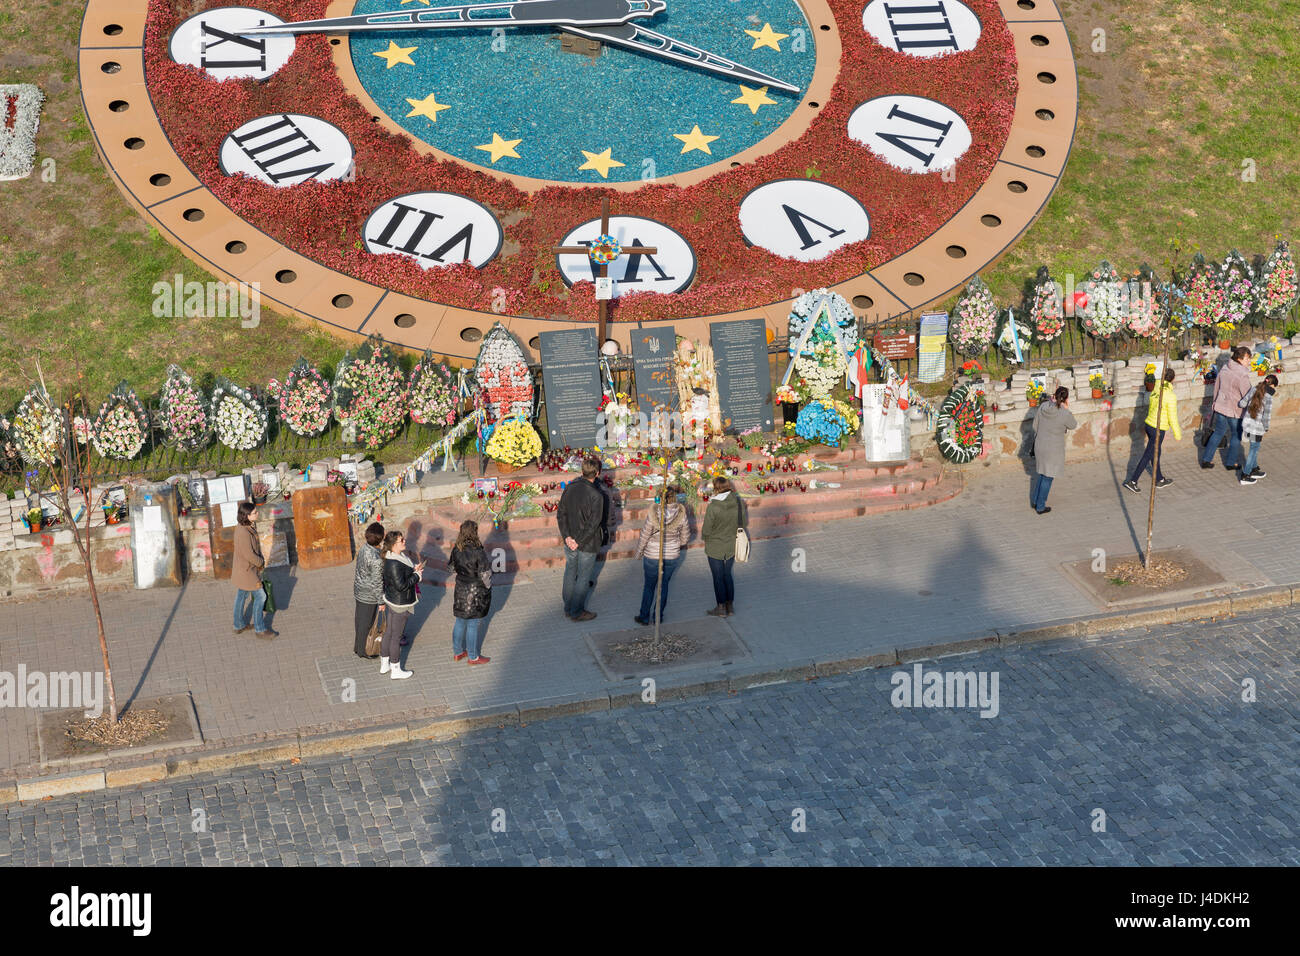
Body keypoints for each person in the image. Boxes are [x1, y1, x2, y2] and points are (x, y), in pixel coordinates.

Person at [556, 455, 610, 622]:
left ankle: (568, 607)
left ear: (582, 471)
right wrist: (577, 541)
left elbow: (561, 514)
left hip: (570, 539)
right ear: (598, 473)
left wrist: (567, 537)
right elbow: (593, 524)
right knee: (583, 577)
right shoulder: (597, 495)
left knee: (570, 571)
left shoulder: (570, 488)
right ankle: (576, 611)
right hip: (587, 543)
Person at [634, 484, 690, 626]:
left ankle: (644, 616)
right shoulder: (681, 514)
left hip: (652, 555)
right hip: (671, 555)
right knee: (664, 585)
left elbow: (645, 535)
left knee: (649, 586)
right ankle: (658, 616)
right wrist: (677, 543)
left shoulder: (654, 513)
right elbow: (685, 537)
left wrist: (639, 552)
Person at [1123, 368, 1181, 494]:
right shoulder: (1170, 396)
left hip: (1149, 424)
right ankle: (1132, 481)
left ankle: (1159, 479)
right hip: (1158, 428)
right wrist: (1177, 433)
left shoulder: (1156, 389)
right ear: (1173, 379)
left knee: (1156, 452)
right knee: (1148, 454)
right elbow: (1173, 416)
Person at [1199, 346, 1253, 472]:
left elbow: (1217, 387)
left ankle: (1206, 460)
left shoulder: (1224, 368)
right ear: (1239, 359)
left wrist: (1215, 404)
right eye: (1247, 359)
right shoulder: (1242, 375)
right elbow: (1248, 395)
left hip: (1221, 407)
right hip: (1235, 410)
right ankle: (1231, 462)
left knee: (1218, 433)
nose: (1248, 361)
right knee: (1236, 436)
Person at [380, 529, 424, 679]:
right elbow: (401, 585)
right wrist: (417, 576)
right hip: (400, 603)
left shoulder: (393, 557)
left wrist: (413, 570)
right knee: (396, 637)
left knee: (389, 633)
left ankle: (384, 664)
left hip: (393, 600)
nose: (405, 541)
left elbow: (400, 576)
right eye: (401, 540)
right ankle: (396, 669)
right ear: (393, 545)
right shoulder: (394, 562)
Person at [701, 475, 746, 616]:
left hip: (715, 547)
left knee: (718, 577)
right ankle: (730, 606)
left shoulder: (713, 507)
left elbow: (706, 529)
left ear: (716, 489)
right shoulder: (738, 502)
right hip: (731, 545)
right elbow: (743, 524)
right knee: (727, 575)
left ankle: (720, 608)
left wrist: (705, 538)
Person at [448, 520, 492, 664]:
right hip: (475, 590)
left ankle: (457, 652)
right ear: (475, 532)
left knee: (460, 620)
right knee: (473, 623)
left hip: (460, 588)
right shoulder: (478, 551)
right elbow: (485, 574)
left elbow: (450, 568)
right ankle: (473, 656)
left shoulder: (456, 548)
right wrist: (488, 587)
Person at [232, 500, 276, 639]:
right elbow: (249, 554)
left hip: (242, 570)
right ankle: (260, 629)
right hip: (248, 571)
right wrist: (261, 562)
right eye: (254, 513)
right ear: (247, 516)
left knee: (241, 595)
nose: (257, 514)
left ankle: (238, 625)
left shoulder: (244, 526)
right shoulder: (244, 532)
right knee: (261, 596)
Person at [1030, 386, 1076, 515]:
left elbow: (1035, 425)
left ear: (1054, 396)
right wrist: (1067, 409)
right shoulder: (1064, 413)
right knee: (1048, 477)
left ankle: (1035, 499)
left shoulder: (1043, 406)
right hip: (1053, 449)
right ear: (1066, 399)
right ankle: (1040, 506)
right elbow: (1073, 425)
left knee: (1042, 473)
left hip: (1040, 445)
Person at [351, 521, 385, 659]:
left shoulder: (364, 548)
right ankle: (364, 650)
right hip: (369, 595)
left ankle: (358, 646)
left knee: (359, 620)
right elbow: (377, 583)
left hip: (359, 590)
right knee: (367, 623)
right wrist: (381, 601)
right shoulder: (377, 559)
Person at [1237, 373, 1278, 486]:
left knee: (1253, 446)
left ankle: (1254, 469)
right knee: (1254, 449)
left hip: (1247, 424)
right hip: (1257, 427)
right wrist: (1266, 428)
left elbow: (1242, 403)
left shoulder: (1254, 389)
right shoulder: (1269, 397)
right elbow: (1266, 416)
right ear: (1273, 385)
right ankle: (1245, 475)